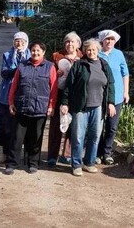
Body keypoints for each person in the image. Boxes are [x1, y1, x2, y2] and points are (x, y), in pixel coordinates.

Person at [60, 39, 115, 177]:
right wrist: (65, 103)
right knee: (78, 136)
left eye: (94, 50)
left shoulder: (104, 64)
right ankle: (76, 164)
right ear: (85, 51)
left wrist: (110, 102)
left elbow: (111, 84)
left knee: (95, 135)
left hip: (98, 107)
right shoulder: (79, 65)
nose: (91, 52)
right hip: (80, 107)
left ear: (98, 50)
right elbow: (68, 86)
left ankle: (89, 162)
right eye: (88, 50)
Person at [5, 42, 58, 175]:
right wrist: (11, 102)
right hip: (21, 106)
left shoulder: (50, 67)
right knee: (17, 137)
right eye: (33, 50)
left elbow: (53, 89)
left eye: (38, 50)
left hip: (40, 108)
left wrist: (51, 105)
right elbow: (14, 86)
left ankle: (33, 163)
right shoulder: (22, 66)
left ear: (43, 52)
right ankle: (12, 163)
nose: (35, 53)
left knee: (36, 137)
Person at [0, 31, 30, 165]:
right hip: (7, 91)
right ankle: (4, 152)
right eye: (17, 41)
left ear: (26, 42)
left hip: (24, 93)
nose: (19, 43)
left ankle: (21, 153)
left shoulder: (31, 54)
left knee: (21, 124)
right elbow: (4, 72)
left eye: (22, 41)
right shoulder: (8, 55)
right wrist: (17, 70)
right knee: (4, 124)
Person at [47, 31, 83, 167]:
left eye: (72, 41)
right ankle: (52, 155)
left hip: (76, 95)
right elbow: (50, 74)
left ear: (78, 44)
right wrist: (56, 73)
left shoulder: (82, 56)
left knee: (72, 125)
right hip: (60, 93)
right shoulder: (57, 56)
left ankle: (66, 155)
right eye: (67, 41)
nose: (69, 44)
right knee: (56, 124)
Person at [97, 29, 130, 165]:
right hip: (99, 95)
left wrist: (126, 92)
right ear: (102, 41)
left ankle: (107, 152)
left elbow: (125, 73)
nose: (109, 41)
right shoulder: (97, 54)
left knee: (111, 126)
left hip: (116, 95)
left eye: (111, 39)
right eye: (107, 39)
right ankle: (97, 153)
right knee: (98, 126)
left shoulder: (119, 54)